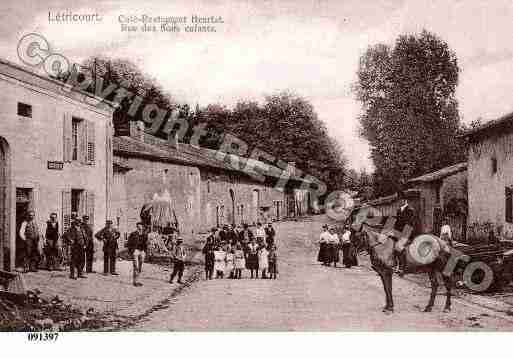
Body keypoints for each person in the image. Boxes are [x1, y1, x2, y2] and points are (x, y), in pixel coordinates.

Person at [395, 191, 419, 276]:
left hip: (408, 233)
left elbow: (410, 223)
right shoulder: (398, 210)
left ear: (405, 200)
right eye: (398, 200)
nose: (399, 202)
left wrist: (404, 234)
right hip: (399, 233)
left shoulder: (410, 210)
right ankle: (397, 265)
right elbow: (396, 223)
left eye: (400, 200)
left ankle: (402, 268)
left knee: (400, 248)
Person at [126, 222, 148, 287]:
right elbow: (129, 243)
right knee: (136, 266)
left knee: (140, 266)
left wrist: (145, 251)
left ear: (142, 227)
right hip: (135, 251)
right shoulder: (133, 234)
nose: (139, 227)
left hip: (142, 251)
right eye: (138, 226)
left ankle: (138, 280)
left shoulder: (145, 234)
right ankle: (135, 281)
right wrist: (131, 251)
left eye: (141, 226)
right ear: (137, 227)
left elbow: (146, 243)